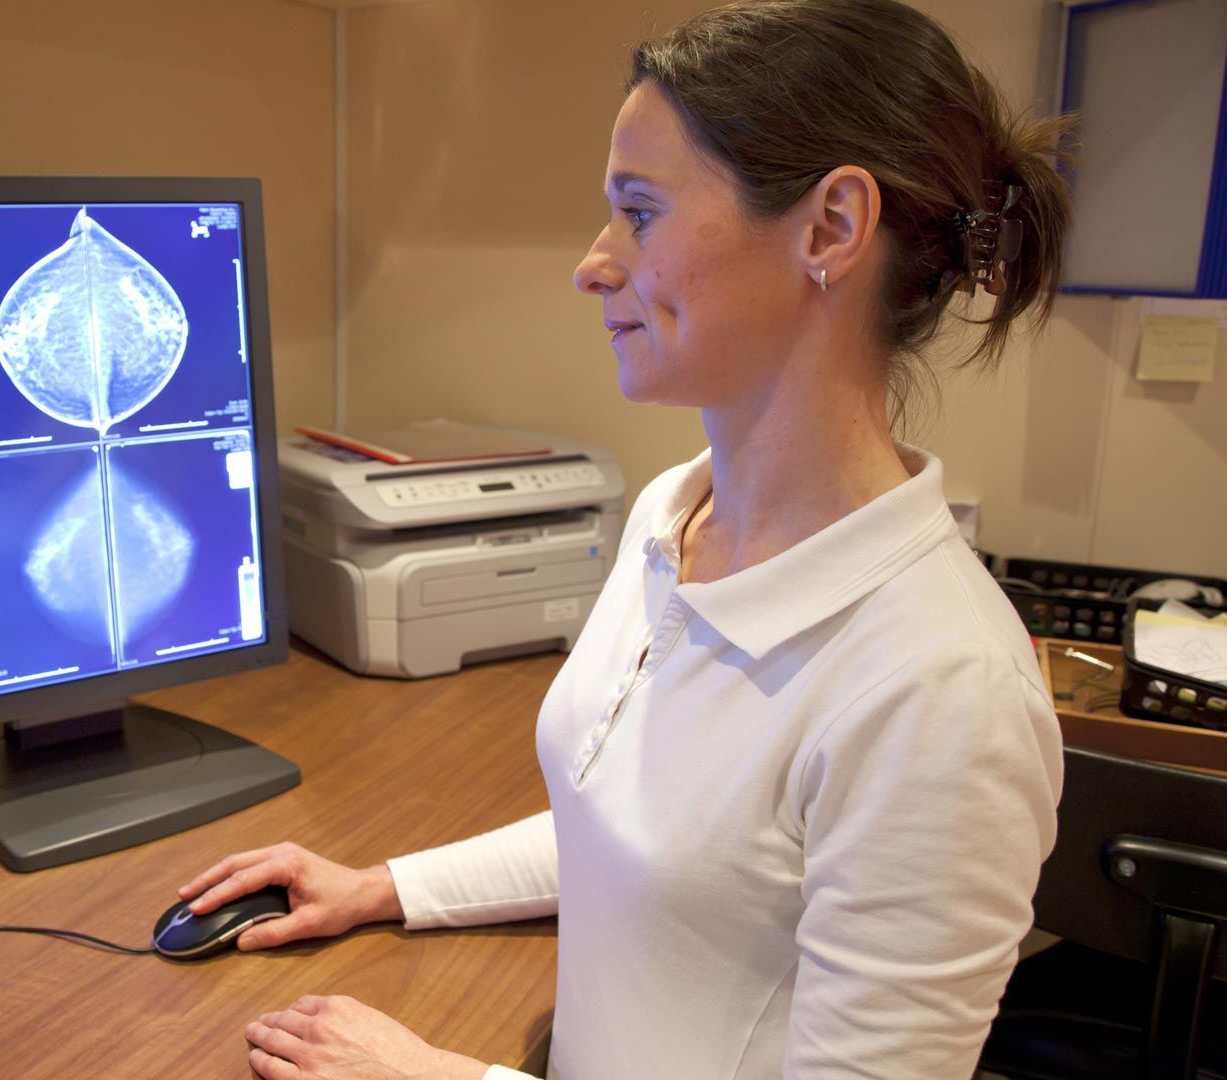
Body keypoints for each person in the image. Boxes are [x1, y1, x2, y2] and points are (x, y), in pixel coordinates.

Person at [185, 0, 1073, 1076]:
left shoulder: (942, 693)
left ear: (832, 227)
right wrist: (381, 887)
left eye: (640, 213)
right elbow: (639, 840)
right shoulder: (670, 517)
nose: (593, 263)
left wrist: (443, 1078)